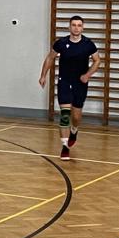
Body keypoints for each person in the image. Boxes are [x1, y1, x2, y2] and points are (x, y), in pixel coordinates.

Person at [38, 14, 100, 159]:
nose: (76, 28)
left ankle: (74, 130)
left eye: (79, 25)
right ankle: (65, 147)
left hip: (80, 83)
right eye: (74, 25)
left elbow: (97, 60)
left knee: (76, 117)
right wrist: (43, 75)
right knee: (65, 115)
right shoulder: (61, 43)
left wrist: (88, 75)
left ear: (82, 28)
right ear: (69, 27)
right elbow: (50, 58)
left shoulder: (88, 44)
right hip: (64, 81)